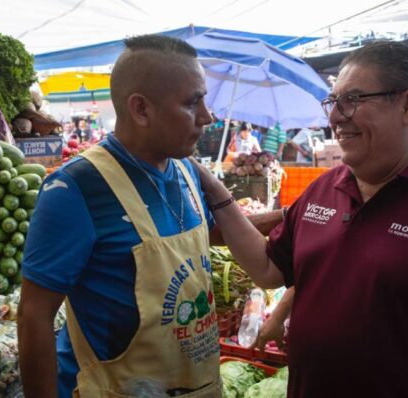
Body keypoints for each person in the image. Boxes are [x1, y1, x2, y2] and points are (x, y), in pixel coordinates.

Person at [194, 41, 408, 397]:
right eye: (332, 102)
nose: (334, 117)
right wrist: (217, 195)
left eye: (352, 100)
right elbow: (269, 270)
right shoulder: (323, 190)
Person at [18, 34, 282, 398]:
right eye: (192, 103)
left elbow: (205, 233)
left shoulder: (188, 172)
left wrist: (291, 218)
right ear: (140, 109)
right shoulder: (76, 189)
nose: (207, 117)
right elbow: (34, 314)